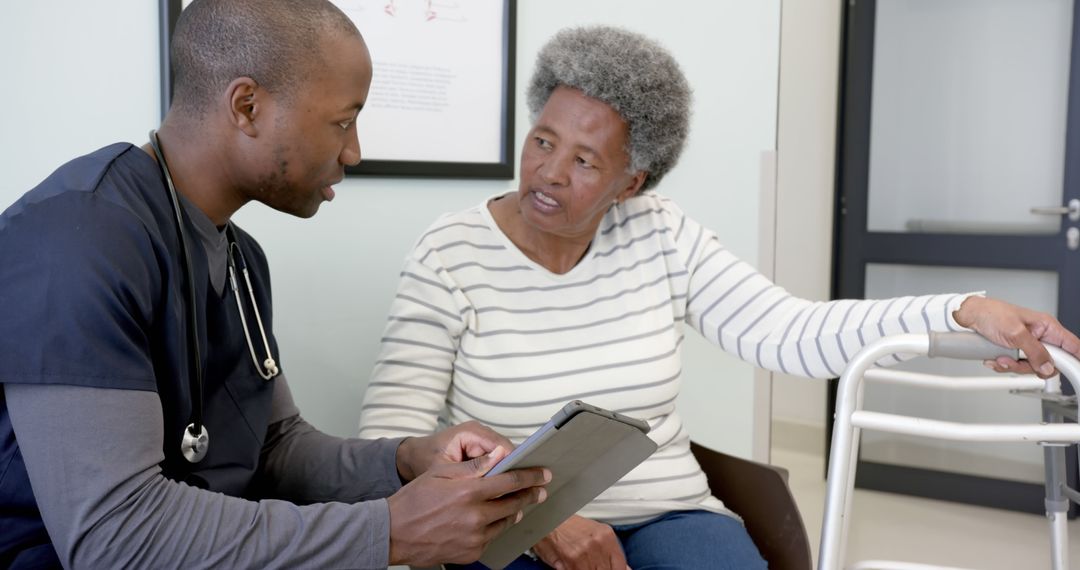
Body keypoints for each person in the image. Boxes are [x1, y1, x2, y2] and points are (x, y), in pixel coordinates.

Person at [357, 25, 1080, 570]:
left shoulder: (662, 235)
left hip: (667, 514)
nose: (547, 173)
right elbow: (389, 438)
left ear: (630, 183)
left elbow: (790, 331)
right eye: (542, 142)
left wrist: (962, 309)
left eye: (584, 161)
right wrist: (537, 525)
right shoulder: (450, 251)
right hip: (508, 528)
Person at [0, 1, 551, 568]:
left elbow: (275, 448)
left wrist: (406, 460)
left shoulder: (241, 260)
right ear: (247, 106)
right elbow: (116, 535)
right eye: (342, 121)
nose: (354, 151)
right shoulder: (75, 241)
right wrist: (387, 533)